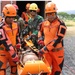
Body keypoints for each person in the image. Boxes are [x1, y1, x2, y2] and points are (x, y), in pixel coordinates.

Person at [38, 2, 67, 75]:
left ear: (56, 13)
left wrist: (45, 49)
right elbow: (40, 32)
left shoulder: (61, 24)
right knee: (44, 72)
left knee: (56, 72)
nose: (50, 16)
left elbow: (57, 39)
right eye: (48, 14)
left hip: (57, 53)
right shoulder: (43, 23)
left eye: (52, 14)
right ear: (46, 14)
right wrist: (40, 39)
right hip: (47, 53)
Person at [0, 4, 21, 75]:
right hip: (3, 53)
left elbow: (17, 36)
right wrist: (14, 55)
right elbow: (6, 42)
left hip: (13, 51)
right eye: (9, 17)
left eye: (13, 17)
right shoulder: (1, 27)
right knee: (1, 71)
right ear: (5, 16)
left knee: (14, 70)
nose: (11, 19)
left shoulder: (16, 25)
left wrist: (18, 44)